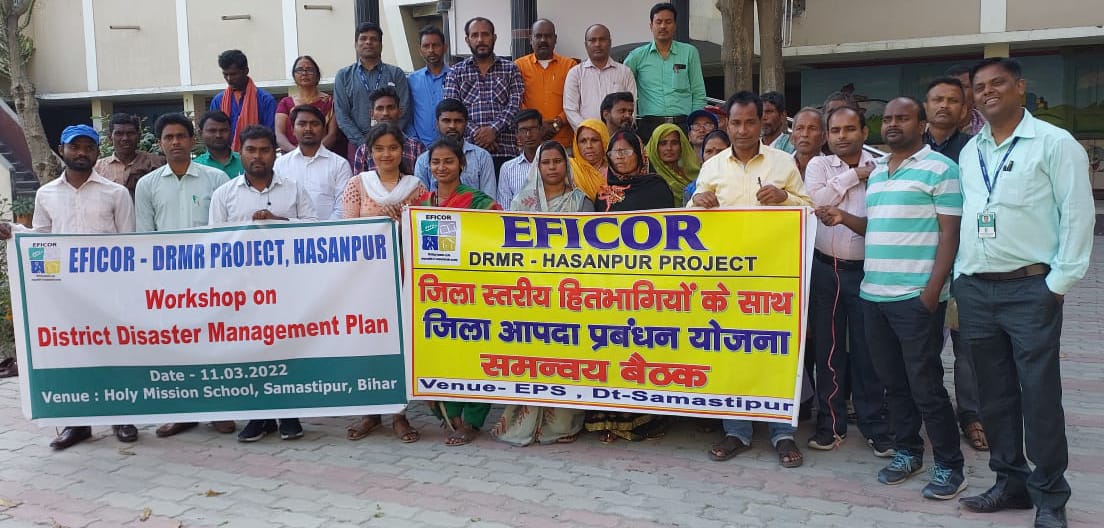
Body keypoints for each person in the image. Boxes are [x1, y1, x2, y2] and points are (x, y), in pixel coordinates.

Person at [955, 58, 1094, 528]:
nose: (987, 92)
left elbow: (1078, 214)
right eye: (980, 87)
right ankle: (1010, 482)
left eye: (998, 83)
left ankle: (1051, 496)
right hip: (976, 289)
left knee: (1039, 395)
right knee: (993, 395)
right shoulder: (971, 151)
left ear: (1020, 87)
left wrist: (1058, 284)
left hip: (1031, 288)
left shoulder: (1055, 143)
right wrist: (961, 277)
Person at [816, 97, 966, 500]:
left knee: (925, 384)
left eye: (903, 118)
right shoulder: (879, 170)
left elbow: (950, 234)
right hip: (873, 295)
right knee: (893, 384)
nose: (893, 124)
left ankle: (950, 465)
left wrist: (932, 293)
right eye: (888, 119)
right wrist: (844, 218)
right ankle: (907, 451)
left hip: (915, 298)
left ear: (922, 124)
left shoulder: (942, 169)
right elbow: (878, 226)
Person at [692, 92, 810, 468]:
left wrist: (785, 198)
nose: (742, 130)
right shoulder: (712, 166)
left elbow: (809, 210)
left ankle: (782, 433)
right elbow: (691, 215)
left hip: (774, 278)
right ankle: (736, 431)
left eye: (749, 122)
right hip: (725, 281)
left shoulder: (783, 162)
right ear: (726, 124)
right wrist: (698, 203)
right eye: (735, 123)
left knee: (776, 352)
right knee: (732, 352)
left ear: (763, 123)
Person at [0, 125, 136, 449]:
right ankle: (77, 424)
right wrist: (14, 232)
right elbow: (41, 240)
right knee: (72, 355)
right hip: (65, 294)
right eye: (75, 147)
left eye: (89, 147)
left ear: (97, 152)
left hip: (107, 292)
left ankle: (122, 417)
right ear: (61, 150)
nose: (82, 152)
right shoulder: (46, 194)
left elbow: (129, 245)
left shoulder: (116, 193)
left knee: (112, 353)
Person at [208, 125, 317, 442]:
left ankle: (289, 414)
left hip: (287, 286)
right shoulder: (224, 194)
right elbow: (215, 242)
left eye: (265, 150)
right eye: (251, 150)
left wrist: (280, 223)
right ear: (240, 153)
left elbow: (315, 229)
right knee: (251, 351)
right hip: (243, 288)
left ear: (275, 153)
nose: (258, 156)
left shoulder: (293, 189)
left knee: (287, 347)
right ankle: (259, 415)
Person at [134, 113, 238, 438]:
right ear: (159, 143)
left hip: (209, 278)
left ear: (193, 141)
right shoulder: (147, 185)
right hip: (168, 283)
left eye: (181, 136)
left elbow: (226, 232)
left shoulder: (216, 179)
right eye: (169, 137)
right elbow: (145, 236)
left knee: (214, 344)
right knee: (176, 346)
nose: (176, 142)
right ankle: (183, 412)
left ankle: (218, 410)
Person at [803, 106, 892, 458]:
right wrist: (854, 176)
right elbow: (816, 201)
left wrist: (852, 185)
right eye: (835, 130)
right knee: (829, 350)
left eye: (850, 129)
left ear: (864, 132)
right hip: (826, 271)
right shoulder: (819, 165)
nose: (842, 136)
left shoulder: (883, 167)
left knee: (869, 351)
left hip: (870, 271)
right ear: (827, 135)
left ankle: (875, 426)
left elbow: (882, 218)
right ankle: (831, 424)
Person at [340, 123, 425, 444]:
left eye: (392, 148)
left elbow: (422, 234)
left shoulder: (415, 188)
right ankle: (370, 412)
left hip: (402, 277)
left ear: (402, 151)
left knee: (399, 344)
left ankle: (399, 414)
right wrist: (380, 221)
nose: (386, 154)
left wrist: (402, 219)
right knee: (369, 341)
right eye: (379, 149)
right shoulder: (357, 184)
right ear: (369, 152)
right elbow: (347, 233)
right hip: (366, 278)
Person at [587, 130, 672, 442]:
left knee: (640, 352)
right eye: (615, 152)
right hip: (609, 286)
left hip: (644, 286)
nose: (620, 157)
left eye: (626, 151)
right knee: (609, 351)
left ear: (640, 154)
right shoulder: (602, 192)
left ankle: (643, 419)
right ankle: (607, 419)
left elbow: (666, 236)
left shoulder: (656, 189)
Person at [417, 137, 502, 445]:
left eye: (448, 161)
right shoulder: (423, 205)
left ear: (461, 165)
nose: (442, 167)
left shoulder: (478, 202)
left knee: (473, 355)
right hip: (435, 296)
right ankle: (450, 412)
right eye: (436, 162)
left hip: (470, 293)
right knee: (441, 355)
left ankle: (473, 421)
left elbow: (496, 233)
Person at [922, 76, 984, 452]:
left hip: (964, 263)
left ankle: (972, 415)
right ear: (925, 106)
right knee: (922, 344)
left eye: (952, 100)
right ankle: (926, 410)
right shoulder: (908, 148)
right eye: (937, 99)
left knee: (968, 345)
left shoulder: (976, 151)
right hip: (917, 264)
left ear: (964, 110)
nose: (944, 105)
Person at [444, 17, 525, 174]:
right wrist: (478, 135)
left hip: (505, 151)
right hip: (468, 152)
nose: (480, 40)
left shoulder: (511, 69)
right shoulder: (456, 72)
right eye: (475, 35)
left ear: (494, 37)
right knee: (469, 192)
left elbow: (515, 105)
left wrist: (493, 130)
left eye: (485, 34)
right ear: (467, 40)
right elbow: (452, 110)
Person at [624, 2, 705, 141]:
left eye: (668, 22)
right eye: (659, 22)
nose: (663, 26)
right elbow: (622, 85)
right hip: (649, 126)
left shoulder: (689, 52)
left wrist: (695, 124)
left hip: (682, 125)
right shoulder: (637, 56)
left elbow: (698, 92)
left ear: (675, 25)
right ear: (651, 26)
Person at [335, 22, 411, 162]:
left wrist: (388, 138)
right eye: (363, 38)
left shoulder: (396, 73)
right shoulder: (343, 76)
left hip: (393, 143)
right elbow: (342, 116)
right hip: (358, 144)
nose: (368, 42)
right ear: (356, 44)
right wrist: (364, 143)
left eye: (373, 39)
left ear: (381, 45)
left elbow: (404, 109)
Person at [274, 105, 353, 221]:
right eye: (302, 124)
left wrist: (324, 229)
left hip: (330, 230)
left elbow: (343, 207)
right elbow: (276, 203)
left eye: (314, 124)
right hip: (290, 230)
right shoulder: (280, 164)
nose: (308, 129)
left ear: (324, 130)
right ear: (293, 130)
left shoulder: (340, 164)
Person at [413, 98, 496, 198]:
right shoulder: (423, 160)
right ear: (437, 124)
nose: (452, 126)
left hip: (475, 208)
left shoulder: (482, 157)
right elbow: (421, 200)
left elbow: (489, 199)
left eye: (458, 121)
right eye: (446, 121)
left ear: (466, 124)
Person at [516, 19, 578, 149]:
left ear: (555, 39)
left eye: (548, 36)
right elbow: (516, 101)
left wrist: (558, 123)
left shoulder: (570, 65)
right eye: (538, 36)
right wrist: (536, 125)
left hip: (564, 142)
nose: (543, 40)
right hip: (530, 142)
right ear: (531, 39)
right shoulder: (518, 66)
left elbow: (576, 100)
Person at [563, 23, 637, 131]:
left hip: (619, 136)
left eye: (602, 40)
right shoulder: (575, 73)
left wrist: (620, 133)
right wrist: (590, 131)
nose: (597, 44)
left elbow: (632, 106)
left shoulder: (625, 72)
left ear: (610, 43)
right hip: (588, 137)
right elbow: (570, 110)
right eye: (592, 40)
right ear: (586, 44)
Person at [209, 50, 276, 152]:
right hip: (224, 157)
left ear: (246, 71)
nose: (229, 79)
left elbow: (271, 135)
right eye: (225, 74)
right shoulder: (218, 101)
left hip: (256, 156)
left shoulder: (265, 100)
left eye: (233, 74)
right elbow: (213, 132)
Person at [353, 86, 426, 174]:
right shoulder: (364, 150)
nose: (385, 113)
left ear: (400, 112)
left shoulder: (417, 147)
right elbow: (359, 181)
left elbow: (422, 180)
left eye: (390, 108)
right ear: (372, 114)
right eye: (380, 108)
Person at [275, 55, 339, 153]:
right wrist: (297, 154)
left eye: (309, 70)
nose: (304, 73)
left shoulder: (330, 102)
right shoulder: (285, 103)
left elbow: (332, 135)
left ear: (317, 75)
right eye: (299, 70)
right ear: (294, 76)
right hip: (291, 155)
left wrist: (313, 153)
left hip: (322, 155)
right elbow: (279, 134)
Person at [94, 113, 165, 196]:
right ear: (110, 138)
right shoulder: (98, 168)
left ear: (139, 136)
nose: (125, 138)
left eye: (130, 133)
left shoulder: (155, 163)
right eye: (119, 133)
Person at [406, 26, 451, 149]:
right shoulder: (411, 80)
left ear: (445, 48)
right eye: (426, 46)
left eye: (436, 45)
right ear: (420, 50)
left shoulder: (456, 77)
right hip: (420, 148)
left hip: (452, 147)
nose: (431, 50)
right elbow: (407, 114)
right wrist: (415, 141)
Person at [497, 109, 543, 208]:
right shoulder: (507, 168)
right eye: (523, 130)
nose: (528, 135)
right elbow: (505, 208)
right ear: (517, 134)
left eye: (533, 129)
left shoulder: (554, 164)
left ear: (541, 130)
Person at [645, 123, 699, 205]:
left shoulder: (694, 172)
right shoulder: (649, 179)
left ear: (682, 146)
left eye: (674, 143)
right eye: (663, 143)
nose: (669, 148)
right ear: (655, 147)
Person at [682, 129, 730, 205]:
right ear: (702, 156)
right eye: (709, 151)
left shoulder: (739, 179)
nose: (714, 156)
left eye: (720, 151)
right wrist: (695, 199)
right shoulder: (691, 190)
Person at [194, 111, 244, 179]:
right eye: (212, 131)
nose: (218, 135)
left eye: (223, 130)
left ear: (231, 132)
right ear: (200, 133)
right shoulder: (195, 167)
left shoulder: (245, 161)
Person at [570, 118, 611, 200]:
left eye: (594, 140)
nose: (589, 146)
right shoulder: (570, 167)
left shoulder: (614, 170)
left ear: (604, 142)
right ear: (576, 144)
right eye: (583, 141)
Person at [945, 63, 986, 135]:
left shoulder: (992, 126)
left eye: (963, 87)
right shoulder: (928, 131)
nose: (955, 93)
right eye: (950, 88)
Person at [790, 107, 827, 176]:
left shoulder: (833, 170)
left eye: (812, 128)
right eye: (799, 128)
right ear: (791, 137)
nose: (805, 134)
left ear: (824, 137)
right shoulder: (779, 165)